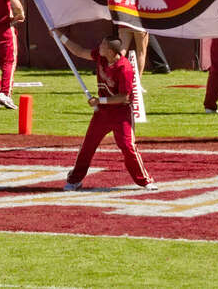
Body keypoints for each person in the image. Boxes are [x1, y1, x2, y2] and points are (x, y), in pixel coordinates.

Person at [56, 31, 157, 191]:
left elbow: (124, 97)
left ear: (111, 51)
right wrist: (59, 36)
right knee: (88, 146)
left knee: (127, 146)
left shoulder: (125, 69)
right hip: (102, 113)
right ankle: (75, 179)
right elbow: (79, 51)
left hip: (121, 113)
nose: (99, 46)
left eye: (103, 45)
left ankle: (145, 180)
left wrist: (99, 100)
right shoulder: (101, 57)